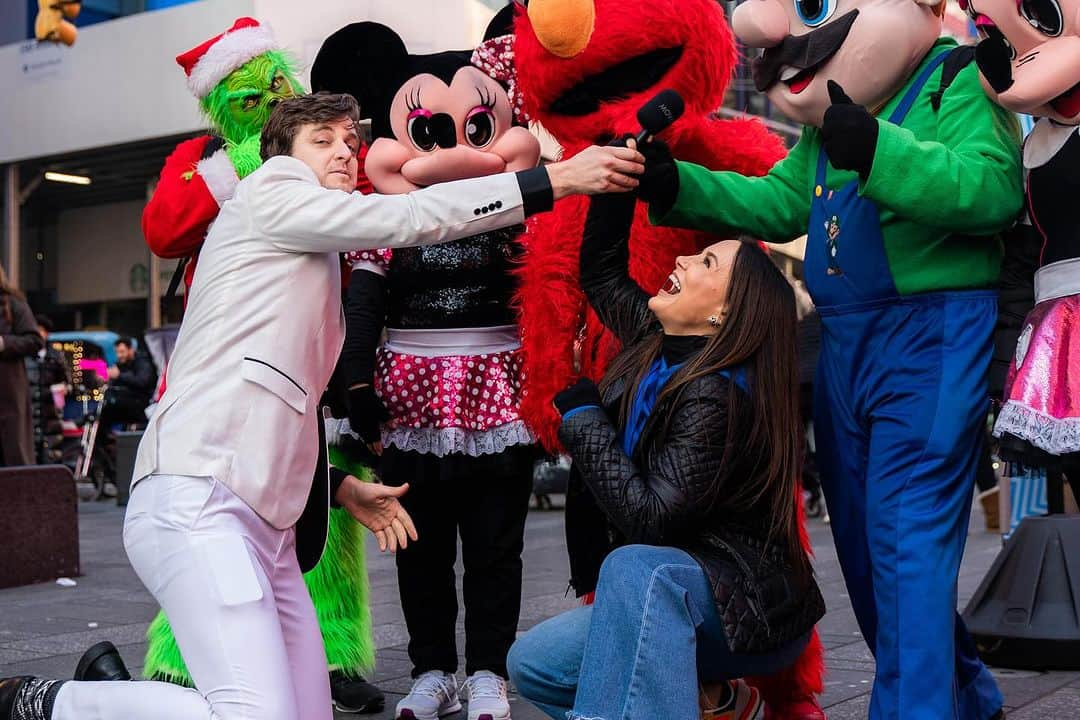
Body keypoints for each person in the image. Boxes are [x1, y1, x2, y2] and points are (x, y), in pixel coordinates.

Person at [0, 92, 642, 720]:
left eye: (350, 141)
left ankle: (104, 690)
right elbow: (408, 217)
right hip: (198, 502)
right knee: (254, 713)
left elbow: (286, 398)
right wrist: (551, 181)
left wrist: (336, 488)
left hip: (269, 529)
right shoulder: (271, 192)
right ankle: (58, 701)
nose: (345, 152)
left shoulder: (308, 248)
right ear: (283, 154)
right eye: (324, 140)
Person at [633, 0, 1023, 716]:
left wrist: (879, 148)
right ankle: (968, 696)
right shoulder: (824, 124)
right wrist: (678, 185)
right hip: (847, 346)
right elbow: (781, 204)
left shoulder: (957, 76)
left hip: (929, 336)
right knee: (871, 564)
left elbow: (992, 187)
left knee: (907, 546)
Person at [507, 187, 825, 720]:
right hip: (664, 590)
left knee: (636, 566)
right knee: (534, 663)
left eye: (705, 262)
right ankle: (717, 705)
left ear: (724, 314)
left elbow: (650, 519)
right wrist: (616, 183)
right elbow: (603, 274)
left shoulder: (718, 393)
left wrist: (584, 419)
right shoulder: (656, 341)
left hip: (741, 607)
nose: (681, 259)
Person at [313, 14, 541, 720]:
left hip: (499, 388)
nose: (454, 152)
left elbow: (549, 288)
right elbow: (365, 299)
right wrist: (355, 384)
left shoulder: (519, 208)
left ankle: (489, 674)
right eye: (431, 134)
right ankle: (432, 668)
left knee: (497, 543)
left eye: (477, 129)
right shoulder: (384, 220)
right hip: (408, 392)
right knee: (419, 542)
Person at [0, 266, 43, 467]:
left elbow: (35, 340)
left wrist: (4, 343)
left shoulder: (13, 303)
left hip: (7, 393)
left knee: (13, 455)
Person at [26, 314, 70, 465]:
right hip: (29, 415)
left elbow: (68, 384)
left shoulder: (56, 357)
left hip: (51, 416)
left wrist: (64, 389)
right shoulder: (24, 357)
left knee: (51, 460)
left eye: (40, 330)